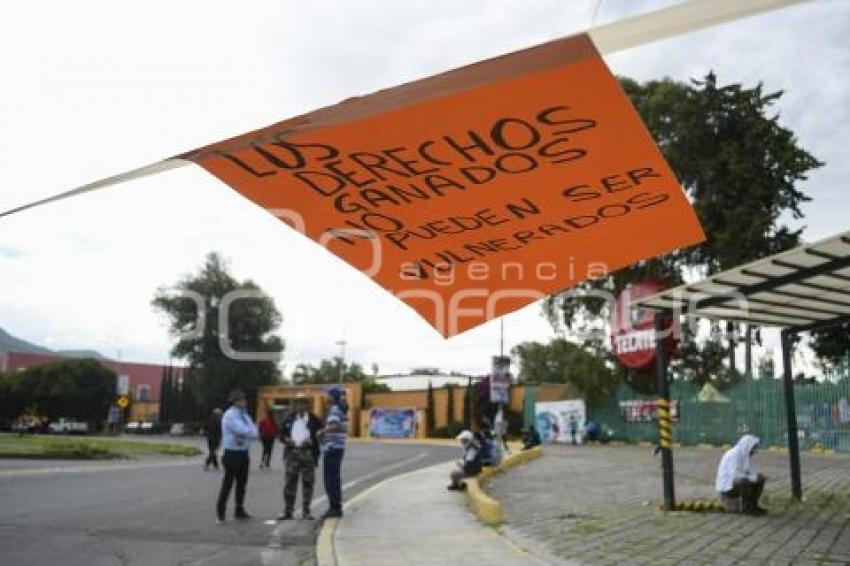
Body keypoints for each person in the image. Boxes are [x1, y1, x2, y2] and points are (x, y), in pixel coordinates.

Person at [278, 394, 323, 521]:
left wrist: (313, 440)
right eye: (297, 403)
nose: (300, 406)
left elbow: (322, 434)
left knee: (308, 483)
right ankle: (288, 511)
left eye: (303, 403)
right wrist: (287, 440)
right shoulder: (289, 418)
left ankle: (306, 511)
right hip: (292, 453)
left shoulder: (314, 419)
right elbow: (281, 435)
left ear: (307, 405)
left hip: (308, 453)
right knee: (289, 483)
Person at [216, 389, 258, 524]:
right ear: (236, 402)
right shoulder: (230, 415)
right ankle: (220, 512)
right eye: (242, 400)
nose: (245, 402)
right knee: (228, 483)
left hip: (243, 452)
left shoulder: (244, 415)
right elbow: (242, 430)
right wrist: (249, 432)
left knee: (242, 483)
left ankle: (239, 509)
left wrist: (250, 433)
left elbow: (254, 430)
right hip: (232, 452)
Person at [715, 434, 768, 515]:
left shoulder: (744, 455)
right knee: (744, 481)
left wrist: (757, 476)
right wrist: (753, 478)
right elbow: (735, 476)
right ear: (748, 446)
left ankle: (753, 506)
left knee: (760, 480)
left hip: (734, 485)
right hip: (727, 488)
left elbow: (748, 472)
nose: (754, 450)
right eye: (754, 447)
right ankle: (747, 508)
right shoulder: (734, 455)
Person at [320, 385, 348, 519]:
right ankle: (335, 506)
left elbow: (335, 425)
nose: (326, 397)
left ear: (332, 396)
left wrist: (322, 432)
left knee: (330, 479)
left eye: (327, 395)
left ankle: (334, 507)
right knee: (334, 478)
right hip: (337, 447)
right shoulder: (340, 408)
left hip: (332, 448)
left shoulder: (335, 409)